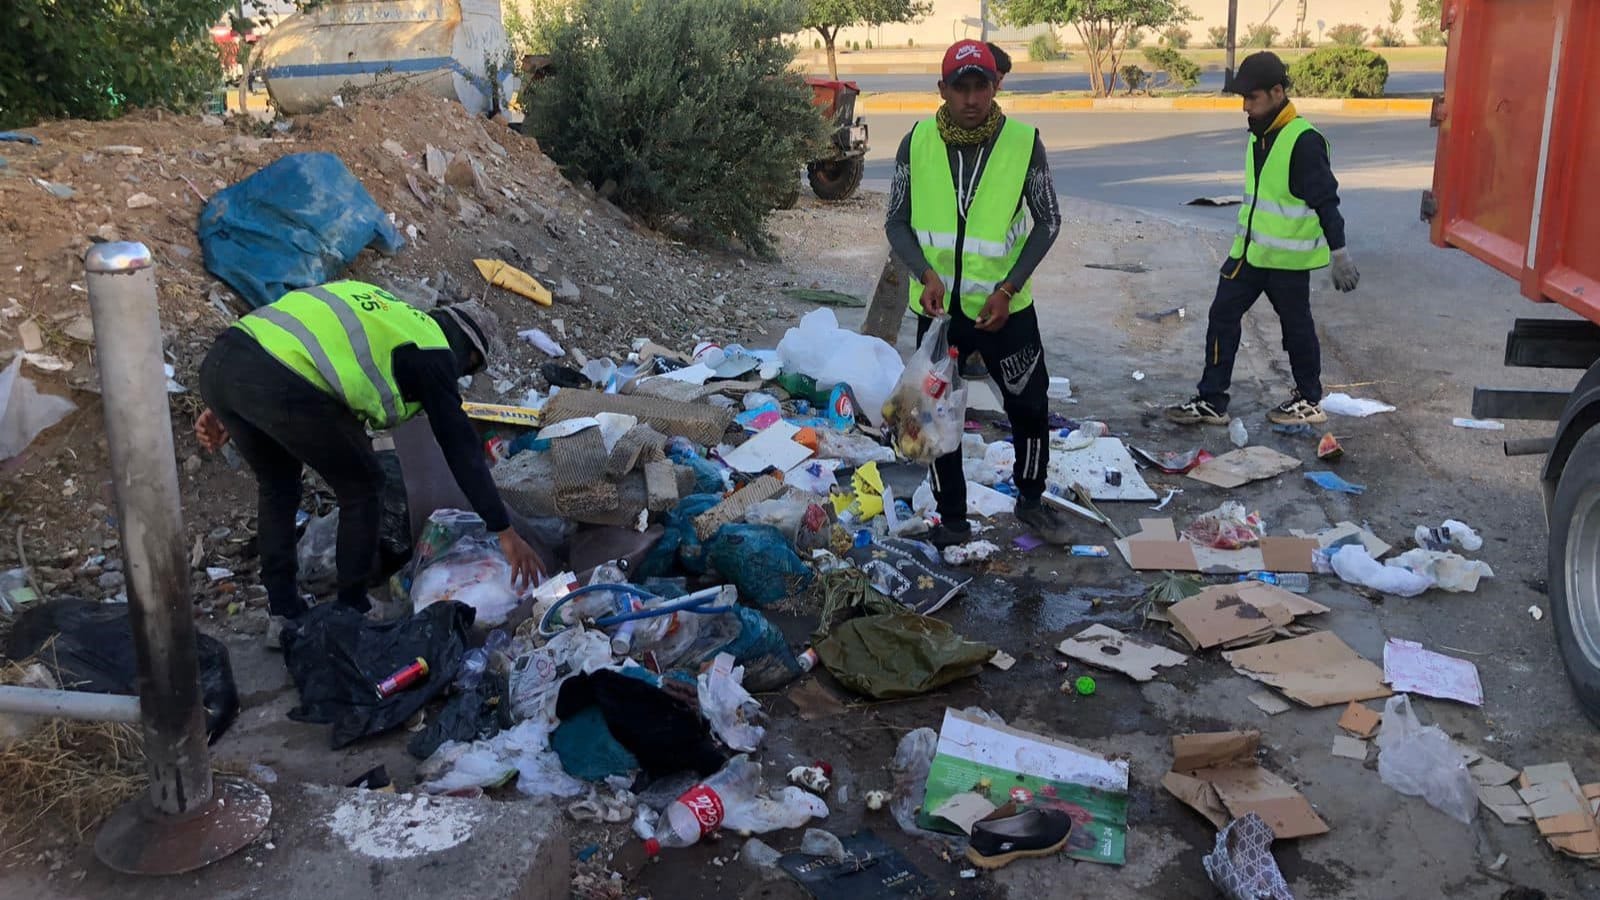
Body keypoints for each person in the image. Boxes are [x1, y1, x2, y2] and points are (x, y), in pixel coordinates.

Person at [194, 280, 542, 641]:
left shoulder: (388, 311)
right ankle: (353, 610)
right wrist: (504, 531)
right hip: (275, 379)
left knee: (278, 486)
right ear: (469, 357)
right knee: (363, 486)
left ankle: (283, 612)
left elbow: (302, 339)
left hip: (225, 361)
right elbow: (461, 448)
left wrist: (233, 399)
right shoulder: (433, 350)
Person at [885, 39, 1073, 547]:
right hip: (939, 311)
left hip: (1005, 310)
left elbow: (1049, 221)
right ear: (942, 89)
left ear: (996, 87)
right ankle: (952, 519)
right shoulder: (915, 142)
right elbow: (896, 222)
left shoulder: (1024, 143)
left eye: (981, 87)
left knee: (1029, 406)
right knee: (932, 415)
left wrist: (1009, 288)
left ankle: (1030, 500)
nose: (971, 99)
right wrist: (925, 273)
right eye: (961, 87)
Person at [1166, 51, 1360, 428]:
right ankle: (1212, 400)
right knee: (1222, 315)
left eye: (1252, 98)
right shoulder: (1261, 134)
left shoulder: (1303, 141)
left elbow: (1326, 201)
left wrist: (1340, 254)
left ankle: (1309, 400)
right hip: (1250, 254)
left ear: (1277, 93)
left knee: (1296, 328)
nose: (1245, 106)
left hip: (1286, 261)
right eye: (1243, 98)